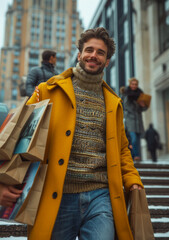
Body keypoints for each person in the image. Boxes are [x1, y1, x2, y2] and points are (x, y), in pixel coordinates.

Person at [0, 27, 144, 240]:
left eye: (100, 52)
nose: (93, 55)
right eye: (89, 50)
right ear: (79, 55)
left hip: (101, 195)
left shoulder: (114, 102)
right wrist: (3, 181)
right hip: (56, 195)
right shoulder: (47, 90)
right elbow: (19, 138)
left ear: (107, 61)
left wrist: (133, 179)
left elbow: (122, 149)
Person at [122, 78, 148, 161]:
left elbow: (143, 109)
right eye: (132, 84)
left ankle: (133, 157)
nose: (134, 86)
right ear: (130, 84)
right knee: (133, 139)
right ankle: (136, 155)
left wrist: (143, 105)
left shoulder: (140, 94)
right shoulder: (126, 93)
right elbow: (125, 107)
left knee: (137, 140)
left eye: (135, 84)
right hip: (130, 120)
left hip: (138, 121)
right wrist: (135, 102)